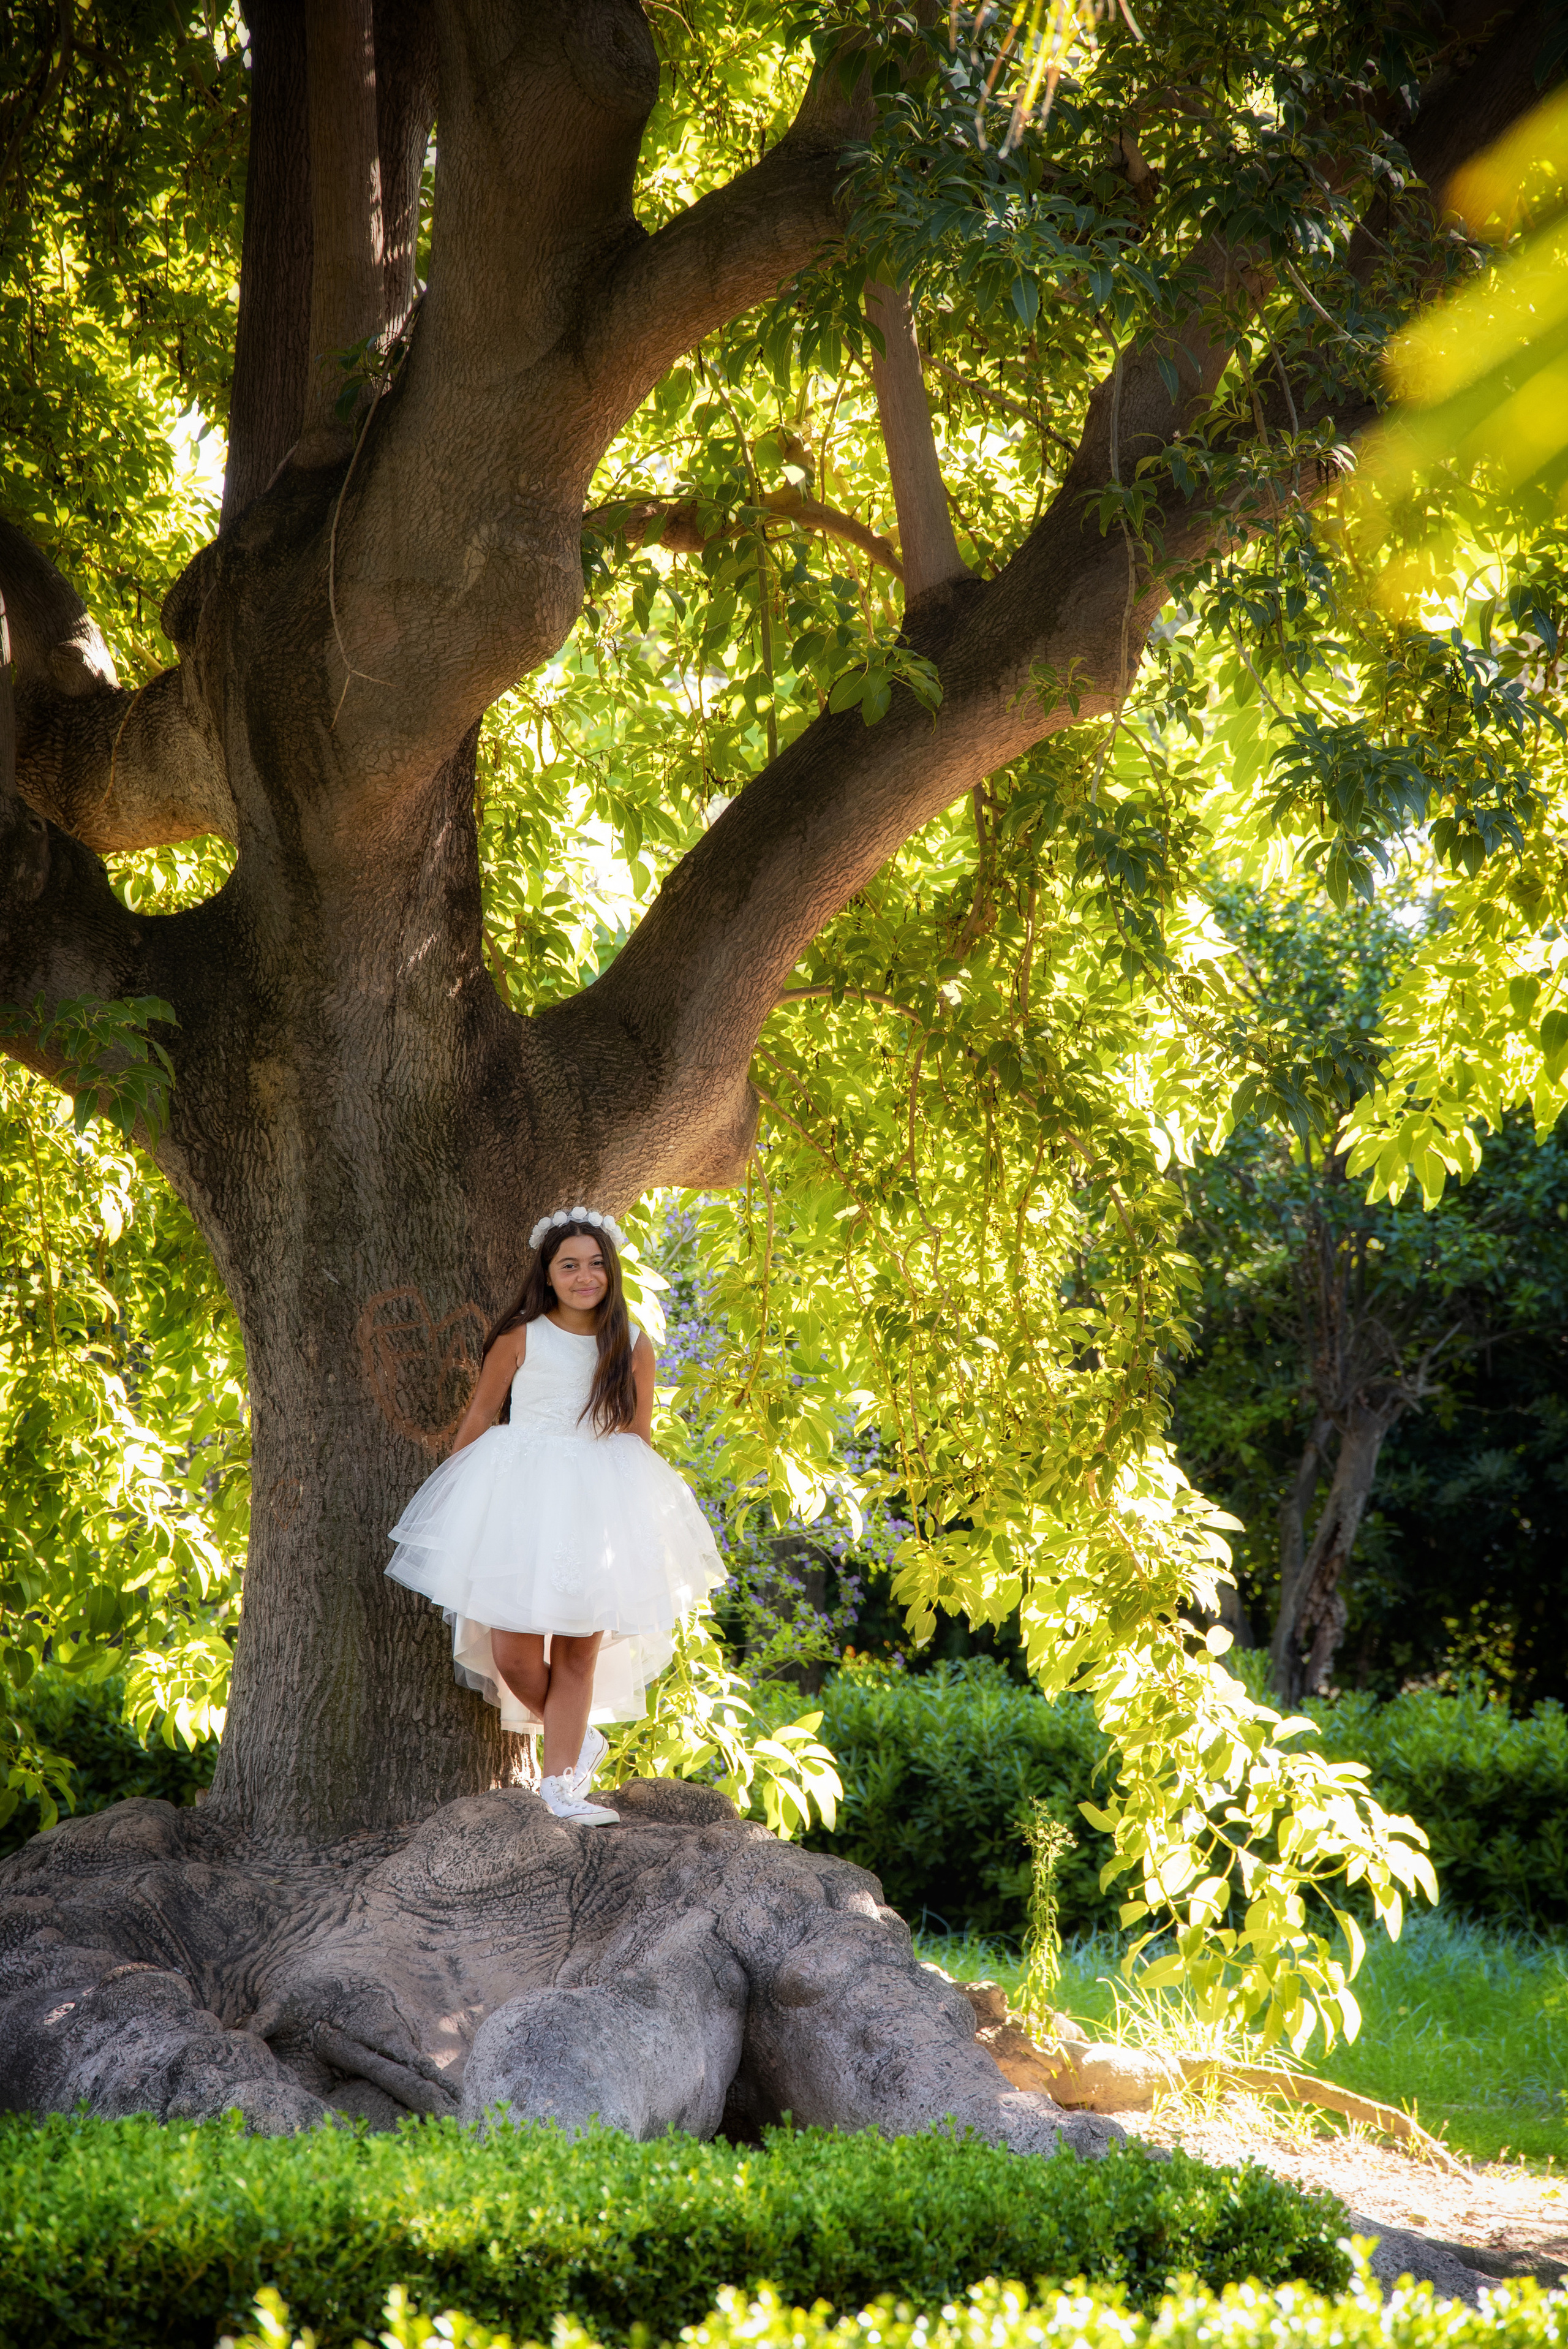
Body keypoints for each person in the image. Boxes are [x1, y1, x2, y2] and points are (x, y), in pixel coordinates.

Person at [386, 1207, 725, 1824]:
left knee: (577, 1653)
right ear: (547, 1274)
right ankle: (578, 1738)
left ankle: (562, 1786)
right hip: (521, 1500)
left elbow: (636, 1433)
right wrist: (463, 1499)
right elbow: (481, 1417)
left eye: (596, 1264)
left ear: (611, 1271)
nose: (584, 1276)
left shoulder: (630, 1342)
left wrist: (639, 1519)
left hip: (598, 1506)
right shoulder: (522, 1336)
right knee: (514, 1655)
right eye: (569, 1265)